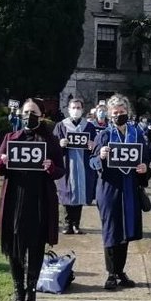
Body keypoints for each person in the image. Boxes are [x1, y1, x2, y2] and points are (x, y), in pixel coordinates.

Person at [0, 98, 65, 301]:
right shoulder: (11, 137)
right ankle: (18, 291)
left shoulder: (50, 141)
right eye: (25, 111)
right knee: (15, 248)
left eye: (33, 112)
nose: (28, 115)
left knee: (35, 246)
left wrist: (50, 167)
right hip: (15, 199)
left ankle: (31, 292)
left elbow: (61, 171)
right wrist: (2, 161)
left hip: (40, 200)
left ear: (41, 115)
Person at [89, 94, 150, 290]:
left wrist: (144, 168)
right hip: (109, 188)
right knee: (111, 230)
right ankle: (111, 273)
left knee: (125, 230)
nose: (119, 115)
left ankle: (120, 270)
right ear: (109, 115)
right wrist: (100, 155)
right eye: (115, 113)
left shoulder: (137, 134)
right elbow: (91, 162)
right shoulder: (104, 135)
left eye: (122, 112)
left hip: (130, 187)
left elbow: (146, 159)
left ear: (128, 113)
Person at [55, 96, 97, 234]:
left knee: (79, 194)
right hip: (67, 165)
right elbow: (52, 148)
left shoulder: (89, 126)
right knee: (66, 193)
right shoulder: (61, 126)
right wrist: (59, 144)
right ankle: (67, 224)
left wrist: (93, 146)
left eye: (78, 108)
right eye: (73, 108)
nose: (76, 110)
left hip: (83, 165)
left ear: (83, 110)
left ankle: (76, 224)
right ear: (68, 109)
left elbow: (95, 148)